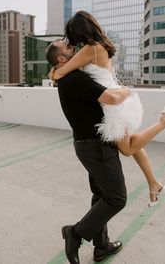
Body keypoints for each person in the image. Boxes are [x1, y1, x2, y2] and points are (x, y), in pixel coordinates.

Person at [52, 11, 165, 207]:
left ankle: (164, 122)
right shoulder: (100, 47)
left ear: (80, 31)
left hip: (114, 104)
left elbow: (62, 71)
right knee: (133, 145)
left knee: (127, 148)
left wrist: (55, 71)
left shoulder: (91, 49)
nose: (72, 42)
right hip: (119, 100)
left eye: (73, 36)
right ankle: (153, 184)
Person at [46, 40, 131, 263]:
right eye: (68, 47)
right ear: (61, 59)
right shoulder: (74, 79)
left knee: (102, 195)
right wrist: (126, 91)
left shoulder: (65, 75)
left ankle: (101, 246)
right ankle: (74, 233)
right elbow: (112, 98)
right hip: (96, 146)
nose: (73, 47)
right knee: (116, 198)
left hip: (88, 145)